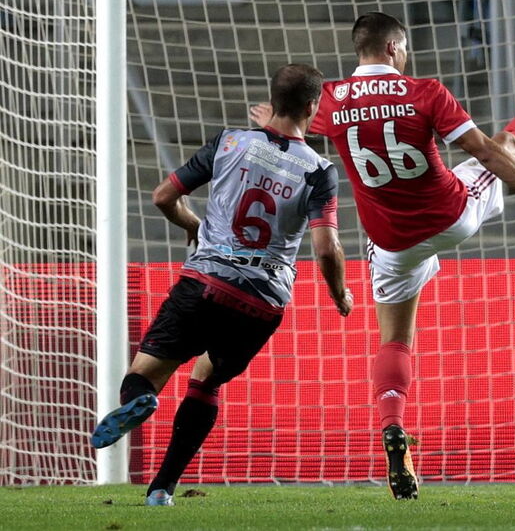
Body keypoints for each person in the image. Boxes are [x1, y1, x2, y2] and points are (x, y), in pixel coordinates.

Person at [250, 11, 515, 499]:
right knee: (507, 144)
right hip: (451, 216)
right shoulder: (425, 92)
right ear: (395, 48)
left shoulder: (327, 100)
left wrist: (273, 121)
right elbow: (488, 155)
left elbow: (287, 123)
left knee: (394, 342)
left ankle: (392, 424)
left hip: (390, 241)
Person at [91, 64, 353, 506]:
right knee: (206, 382)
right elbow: (327, 249)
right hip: (261, 302)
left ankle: (143, 401)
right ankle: (161, 490)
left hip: (205, 280)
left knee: (141, 378)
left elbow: (162, 197)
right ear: (313, 107)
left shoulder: (230, 141)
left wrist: (191, 222)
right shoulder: (320, 171)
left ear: (271, 100)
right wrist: (339, 293)